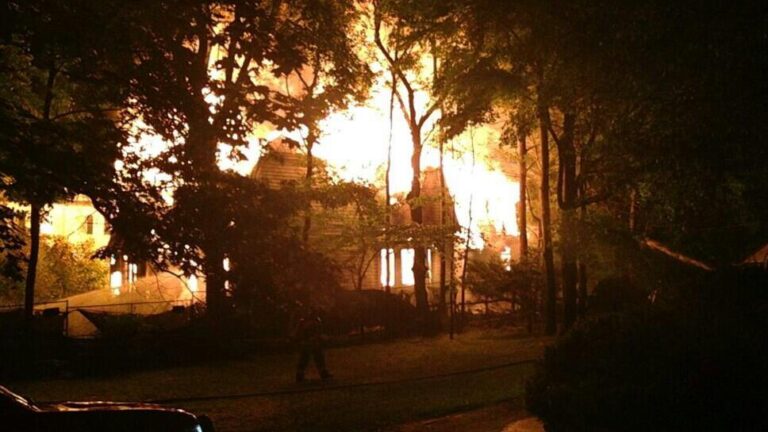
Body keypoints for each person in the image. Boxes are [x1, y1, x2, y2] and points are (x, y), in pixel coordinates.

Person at [290, 304, 332, 383]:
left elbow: (317, 332)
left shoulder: (311, 321)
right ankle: (301, 375)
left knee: (314, 358)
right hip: (309, 343)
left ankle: (321, 373)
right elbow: (301, 332)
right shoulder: (306, 322)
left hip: (310, 343)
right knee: (308, 358)